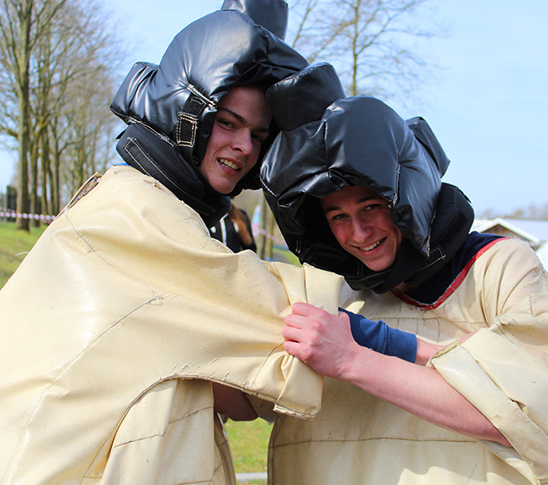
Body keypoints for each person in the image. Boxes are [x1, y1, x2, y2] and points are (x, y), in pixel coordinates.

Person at [0, 2, 346, 484]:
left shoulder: (118, 199)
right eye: (228, 123)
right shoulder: (143, 220)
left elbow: (238, 393)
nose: (245, 147)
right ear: (188, 112)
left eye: (259, 135)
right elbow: (299, 323)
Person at [260, 66, 548, 484]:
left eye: (371, 207)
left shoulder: (499, 266)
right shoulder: (334, 293)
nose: (358, 233)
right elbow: (249, 402)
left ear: (406, 194)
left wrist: (356, 355)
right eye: (338, 216)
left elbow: (527, 408)